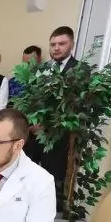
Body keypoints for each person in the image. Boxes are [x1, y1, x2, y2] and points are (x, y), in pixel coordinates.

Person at [37, 26, 79, 207]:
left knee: (53, 179)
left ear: (72, 44)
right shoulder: (43, 69)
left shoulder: (79, 69)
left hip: (60, 134)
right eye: (53, 44)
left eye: (62, 44)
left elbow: (76, 105)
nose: (56, 48)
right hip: (35, 132)